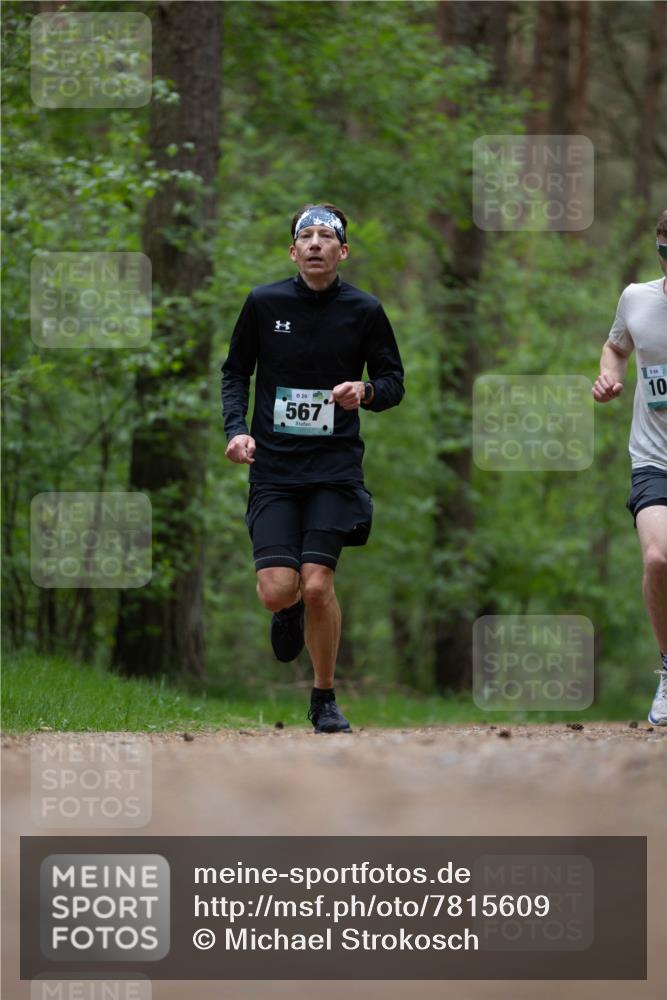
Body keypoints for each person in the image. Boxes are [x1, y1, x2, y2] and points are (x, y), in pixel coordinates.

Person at [221, 203, 405, 732]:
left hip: (334, 468)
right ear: (293, 251)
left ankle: (324, 697)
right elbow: (235, 372)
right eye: (307, 236)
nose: (316, 243)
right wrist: (236, 430)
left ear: (343, 252)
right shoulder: (263, 303)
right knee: (279, 589)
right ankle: (288, 608)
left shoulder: (365, 310)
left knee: (319, 584)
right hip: (275, 470)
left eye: (327, 236)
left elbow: (393, 382)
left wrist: (365, 391)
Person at [592, 209, 667, 725]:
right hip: (653, 457)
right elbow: (616, 346)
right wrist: (608, 377)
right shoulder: (637, 298)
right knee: (658, 559)